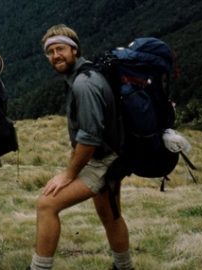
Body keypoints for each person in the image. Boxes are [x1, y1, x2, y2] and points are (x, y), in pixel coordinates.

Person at [30, 24, 133, 270]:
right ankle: (124, 267)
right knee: (110, 215)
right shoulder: (85, 74)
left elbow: (89, 137)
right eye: (51, 51)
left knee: (47, 204)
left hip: (104, 160)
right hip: (114, 153)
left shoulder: (83, 84)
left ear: (74, 50)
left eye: (61, 49)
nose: (56, 56)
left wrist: (69, 174)